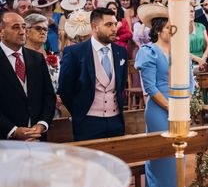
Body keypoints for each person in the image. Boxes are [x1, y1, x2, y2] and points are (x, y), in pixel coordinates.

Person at [134, 4, 194, 187]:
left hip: (180, 107)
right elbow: (150, 86)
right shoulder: (148, 51)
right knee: (161, 152)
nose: (172, 31)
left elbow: (190, 81)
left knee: (180, 151)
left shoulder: (181, 51)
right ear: (158, 29)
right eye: (169, 28)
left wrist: (185, 104)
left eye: (174, 28)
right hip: (159, 109)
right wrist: (171, 107)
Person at [58, 8, 128, 141]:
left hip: (116, 121)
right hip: (87, 122)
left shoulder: (121, 52)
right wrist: (80, 111)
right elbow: (65, 89)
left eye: (115, 24)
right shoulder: (75, 53)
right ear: (94, 27)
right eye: (108, 25)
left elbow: (121, 84)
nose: (114, 28)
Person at [0, 11, 56, 141]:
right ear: (1, 31)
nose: (22, 31)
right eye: (15, 27)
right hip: (5, 140)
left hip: (37, 136)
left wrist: (42, 124)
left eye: (24, 27)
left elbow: (48, 96)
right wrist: (13, 130)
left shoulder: (36, 58)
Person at [189, 4, 208, 72]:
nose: (190, 14)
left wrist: (203, 58)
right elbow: (181, 50)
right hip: (187, 62)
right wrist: (198, 59)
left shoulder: (201, 26)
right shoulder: (179, 28)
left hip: (202, 62)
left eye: (192, 11)